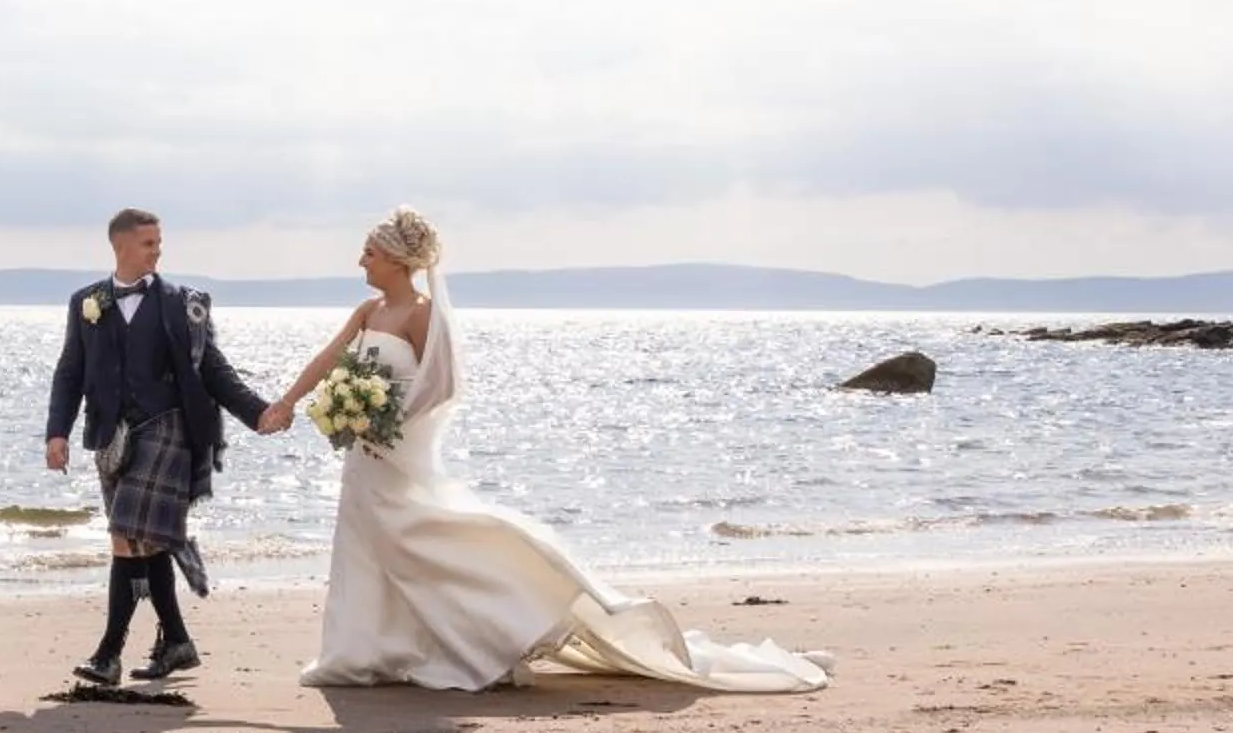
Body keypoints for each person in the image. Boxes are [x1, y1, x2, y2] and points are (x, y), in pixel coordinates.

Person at [259, 206, 830, 694]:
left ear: (397, 260)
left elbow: (444, 386)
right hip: (365, 452)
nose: (362, 263)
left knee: (418, 539)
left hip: (396, 449)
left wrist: (389, 419)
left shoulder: (422, 314)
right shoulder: (368, 313)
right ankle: (362, 649)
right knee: (366, 545)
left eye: (369, 254)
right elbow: (329, 360)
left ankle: (492, 633)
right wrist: (288, 404)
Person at [44, 207, 276, 686]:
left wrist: (258, 413)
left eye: (159, 242)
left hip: (169, 428)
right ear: (121, 246)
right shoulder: (85, 303)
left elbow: (213, 369)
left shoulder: (184, 303)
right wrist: (57, 432)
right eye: (149, 243)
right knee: (141, 543)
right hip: (111, 435)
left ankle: (108, 655)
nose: (158, 250)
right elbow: (70, 371)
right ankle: (176, 641)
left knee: (125, 536)